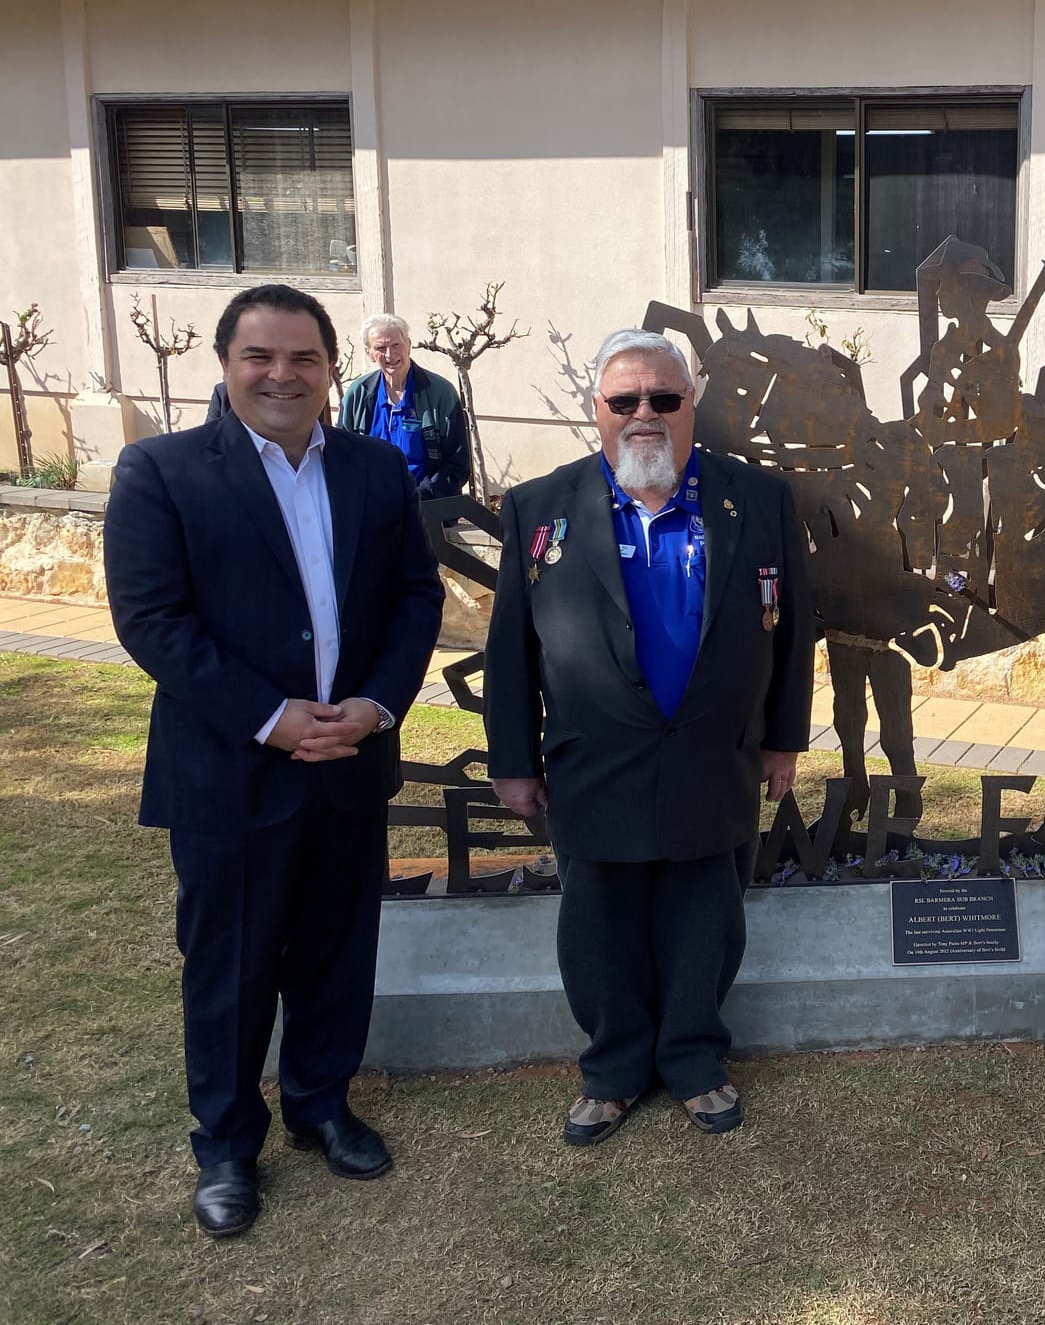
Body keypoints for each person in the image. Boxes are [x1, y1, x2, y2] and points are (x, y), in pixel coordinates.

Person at [103, 283, 444, 1238]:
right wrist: (270, 717)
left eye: (303, 358)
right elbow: (151, 621)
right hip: (229, 772)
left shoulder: (377, 471)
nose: (282, 375)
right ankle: (224, 1145)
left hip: (350, 759)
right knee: (231, 964)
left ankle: (321, 1105)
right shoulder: (161, 472)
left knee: (338, 948)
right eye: (261, 356)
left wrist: (376, 706)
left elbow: (415, 599)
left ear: (332, 368)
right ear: (227, 365)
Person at [484, 328, 812, 1146]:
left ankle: (695, 1059)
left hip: (715, 755)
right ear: (595, 411)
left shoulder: (759, 501)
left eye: (664, 399)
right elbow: (510, 651)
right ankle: (614, 1068)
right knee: (599, 922)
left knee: (708, 913)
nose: (645, 415)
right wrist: (514, 760)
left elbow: (795, 631)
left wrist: (784, 741)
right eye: (624, 400)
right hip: (594, 762)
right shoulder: (538, 508)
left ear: (691, 406)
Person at [337, 313, 469, 500]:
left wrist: (418, 498)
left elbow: (457, 465)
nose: (390, 354)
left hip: (426, 506)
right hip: (371, 506)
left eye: (396, 345)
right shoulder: (358, 393)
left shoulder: (441, 393)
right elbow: (341, 456)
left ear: (408, 345)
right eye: (380, 348)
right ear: (369, 353)